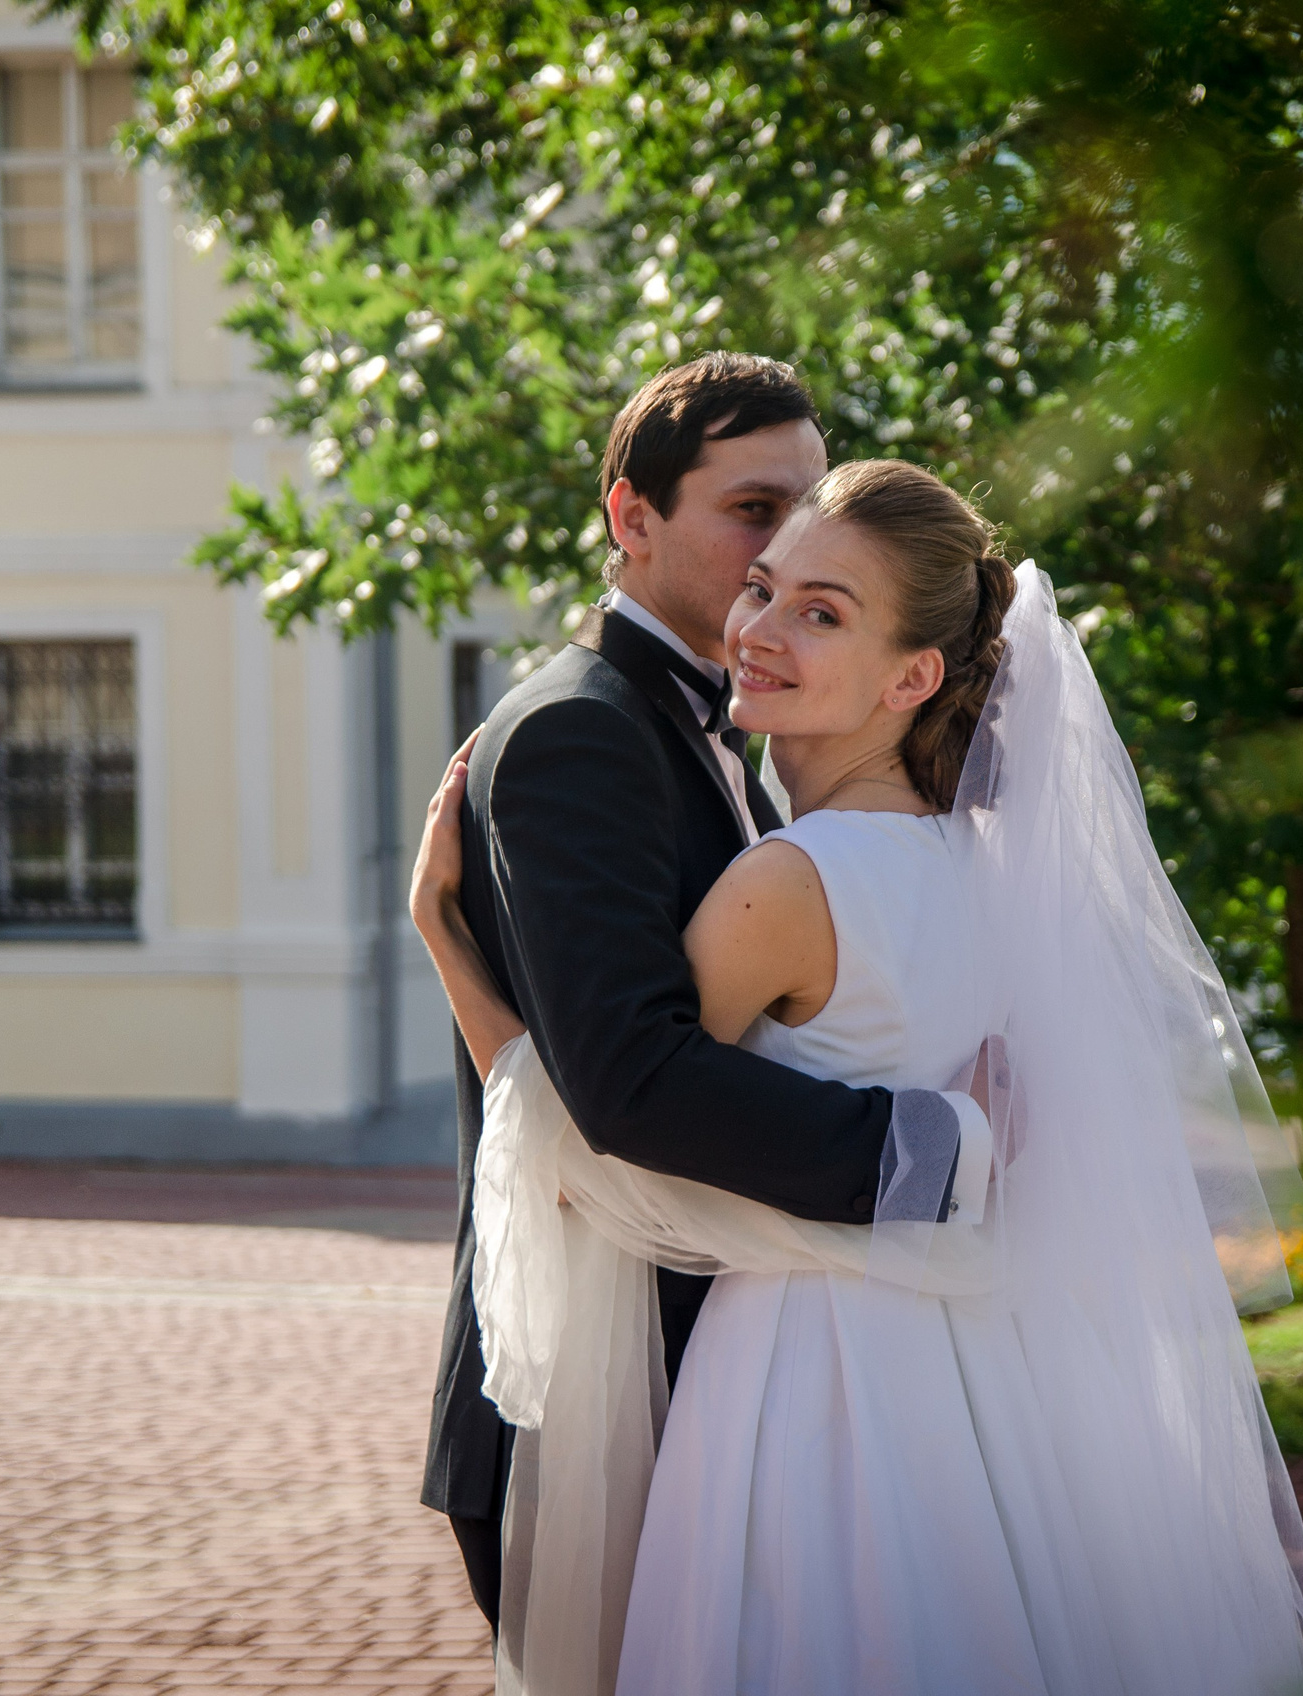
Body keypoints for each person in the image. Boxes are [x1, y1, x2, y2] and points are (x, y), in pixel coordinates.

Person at [410, 458, 1303, 1694]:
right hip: (987, 1378)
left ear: (916, 677)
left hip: (811, 1385)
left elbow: (601, 1144)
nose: (762, 630)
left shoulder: (785, 886)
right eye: (764, 588)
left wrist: (444, 938)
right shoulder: (991, 871)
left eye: (822, 612)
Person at [413, 356, 989, 1633]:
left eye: (798, 518)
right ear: (632, 519)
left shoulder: (746, 745)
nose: (775, 551)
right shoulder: (582, 732)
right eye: (749, 512)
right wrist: (933, 1145)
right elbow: (634, 1086)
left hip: (747, 1375)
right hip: (594, 1397)